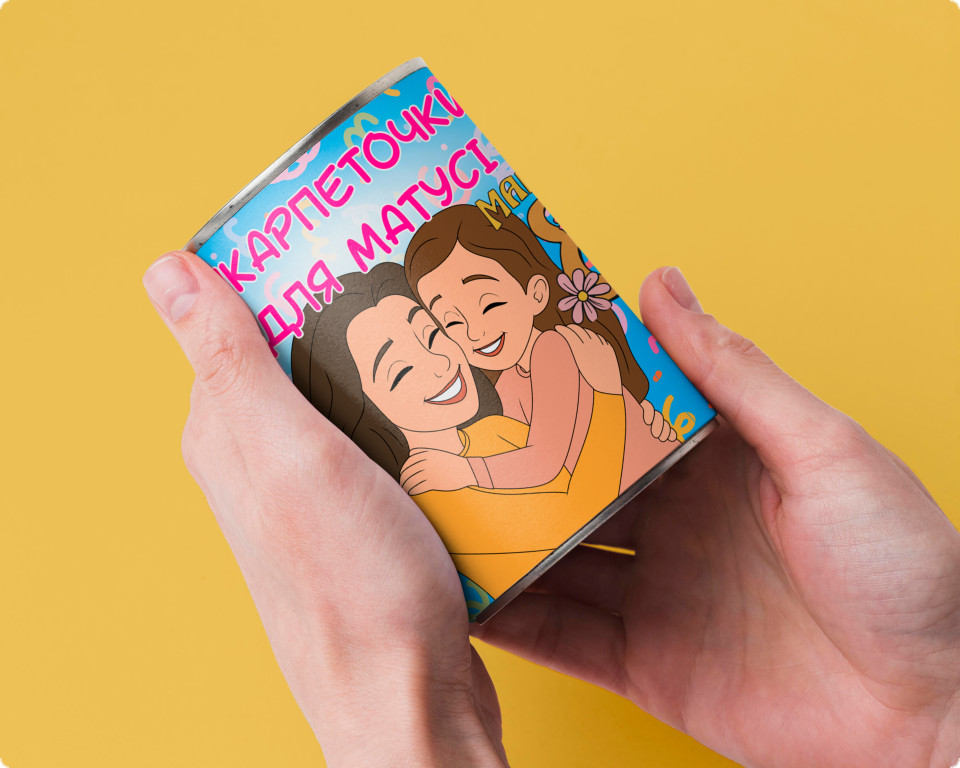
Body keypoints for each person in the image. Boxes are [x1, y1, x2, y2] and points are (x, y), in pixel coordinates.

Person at [143, 252, 960, 768]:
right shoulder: (453, 462)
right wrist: (923, 723)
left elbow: (554, 466)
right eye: (399, 365)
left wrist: (383, 715)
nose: (445, 357)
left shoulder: (549, 366)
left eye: (434, 331)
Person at [286, 261, 628, 609]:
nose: (441, 364)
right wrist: (608, 394)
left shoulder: (491, 431)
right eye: (401, 371)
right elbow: (582, 506)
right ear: (362, 411)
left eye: (432, 336)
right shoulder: (428, 495)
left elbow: (568, 474)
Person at [403, 203, 676, 497]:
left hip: (655, 481)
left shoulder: (553, 348)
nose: (474, 333)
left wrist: (464, 471)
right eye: (452, 322)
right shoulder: (507, 383)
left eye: (489, 304)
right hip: (617, 494)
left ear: (536, 293)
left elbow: (543, 461)